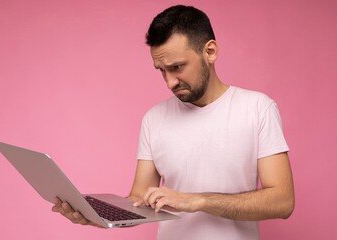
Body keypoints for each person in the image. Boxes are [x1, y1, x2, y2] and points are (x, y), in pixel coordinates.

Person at [52, 5, 295, 240]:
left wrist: (197, 201)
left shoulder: (258, 109)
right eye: (161, 70)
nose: (170, 82)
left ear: (210, 52)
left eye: (177, 67)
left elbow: (282, 202)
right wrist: (94, 215)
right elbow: (139, 199)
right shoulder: (154, 118)